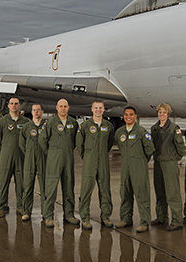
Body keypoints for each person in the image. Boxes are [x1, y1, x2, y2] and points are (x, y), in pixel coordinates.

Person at [114, 106, 155, 233]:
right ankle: (126, 219)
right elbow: (120, 147)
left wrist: (141, 161)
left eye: (131, 115)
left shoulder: (142, 132)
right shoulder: (119, 132)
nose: (128, 117)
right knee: (125, 193)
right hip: (125, 167)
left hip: (139, 167)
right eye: (126, 115)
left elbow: (149, 150)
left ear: (135, 116)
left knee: (141, 194)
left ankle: (144, 221)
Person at [77, 100, 116, 230]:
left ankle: (105, 216)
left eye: (100, 108)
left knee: (105, 189)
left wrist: (102, 153)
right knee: (86, 189)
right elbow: (80, 145)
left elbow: (109, 143)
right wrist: (87, 156)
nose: (98, 110)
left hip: (103, 161)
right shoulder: (85, 126)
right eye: (96, 108)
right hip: (89, 161)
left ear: (104, 109)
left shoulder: (108, 126)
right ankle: (85, 217)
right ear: (92, 109)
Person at [41, 98, 80, 228]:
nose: (63, 108)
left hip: (68, 158)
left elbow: (75, 141)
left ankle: (69, 215)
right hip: (54, 158)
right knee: (51, 188)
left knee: (69, 187)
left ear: (68, 108)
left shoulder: (73, 123)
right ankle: (48, 216)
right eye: (61, 106)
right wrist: (52, 152)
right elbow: (42, 140)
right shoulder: (51, 122)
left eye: (65, 106)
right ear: (56, 108)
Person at [151, 103, 186, 231]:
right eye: (160, 112)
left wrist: (174, 158)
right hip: (158, 162)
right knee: (159, 191)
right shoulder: (154, 128)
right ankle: (161, 217)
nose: (162, 114)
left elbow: (180, 147)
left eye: (164, 112)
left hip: (169, 163)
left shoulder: (173, 128)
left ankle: (177, 221)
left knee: (172, 192)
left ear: (168, 114)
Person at [0, 96, 30, 217]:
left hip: (21, 157)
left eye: (16, 103)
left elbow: (29, 140)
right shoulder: (2, 121)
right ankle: (2, 206)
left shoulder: (25, 122)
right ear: (8, 105)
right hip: (6, 157)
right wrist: (6, 150)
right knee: (3, 182)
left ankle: (21, 206)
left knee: (21, 183)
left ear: (19, 106)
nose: (14, 105)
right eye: (12, 103)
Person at [19, 103, 47, 221]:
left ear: (42, 112)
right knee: (28, 186)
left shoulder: (47, 126)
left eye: (38, 110)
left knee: (45, 187)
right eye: (34, 110)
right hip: (30, 159)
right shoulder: (26, 127)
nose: (36, 112)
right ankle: (26, 211)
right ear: (31, 112)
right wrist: (29, 153)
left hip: (43, 159)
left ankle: (46, 213)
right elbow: (21, 143)